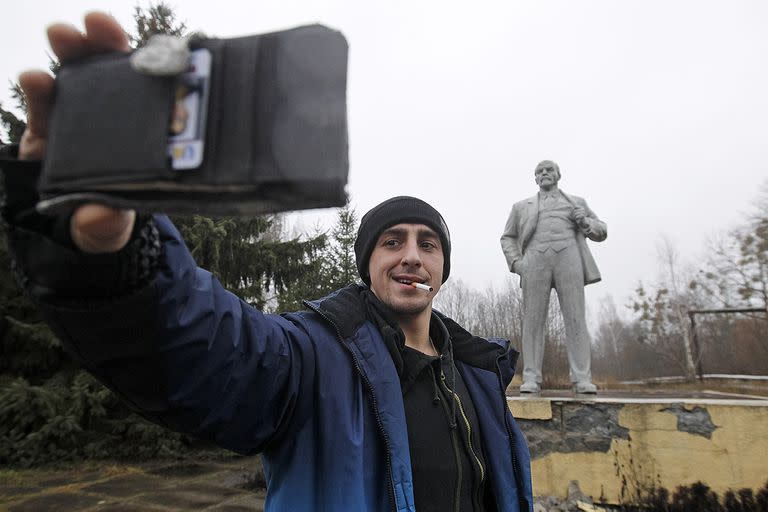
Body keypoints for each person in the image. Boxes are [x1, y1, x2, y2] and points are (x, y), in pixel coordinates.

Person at [0, 12, 532, 512]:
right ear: (366, 264)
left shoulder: (481, 373)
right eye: (392, 242)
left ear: (443, 268)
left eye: (428, 244)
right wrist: (118, 266)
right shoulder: (309, 356)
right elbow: (205, 353)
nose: (412, 257)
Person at [500, 160, 607, 395]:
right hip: (534, 261)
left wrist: (585, 221)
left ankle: (581, 378)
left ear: (558, 175)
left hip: (569, 258)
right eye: (540, 171)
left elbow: (601, 231)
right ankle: (531, 378)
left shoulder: (576, 203)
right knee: (533, 321)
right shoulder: (521, 207)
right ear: (535, 178)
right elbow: (507, 237)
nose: (544, 173)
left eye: (549, 170)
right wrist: (518, 263)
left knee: (576, 317)